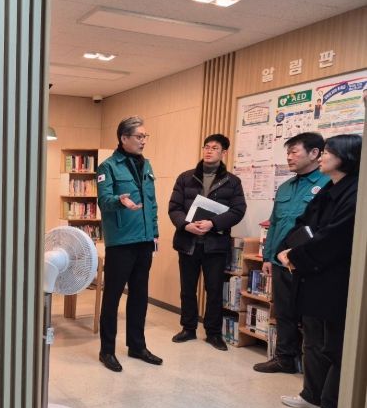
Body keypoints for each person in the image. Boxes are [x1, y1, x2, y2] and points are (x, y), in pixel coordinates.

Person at [278, 134, 361, 408]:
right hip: (311, 275)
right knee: (312, 339)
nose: (322, 156)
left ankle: (332, 404)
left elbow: (334, 237)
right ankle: (311, 393)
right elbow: (304, 222)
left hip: (334, 278)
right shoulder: (328, 188)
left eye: (328, 152)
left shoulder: (356, 192)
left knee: (335, 345)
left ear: (345, 157)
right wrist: (286, 250)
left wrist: (295, 256)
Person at [253, 133, 329, 373]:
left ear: (314, 153)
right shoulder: (286, 186)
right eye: (288, 152)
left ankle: (313, 369)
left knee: (310, 317)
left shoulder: (328, 184)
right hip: (280, 262)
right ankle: (285, 359)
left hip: (309, 264)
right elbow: (275, 223)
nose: (289, 157)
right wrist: (268, 257)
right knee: (284, 312)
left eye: (294, 152)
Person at [168, 134, 246, 350]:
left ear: (224, 153)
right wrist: (185, 225)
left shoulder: (233, 181)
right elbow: (174, 208)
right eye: (206, 147)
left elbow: (238, 210)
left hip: (215, 244)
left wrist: (213, 223)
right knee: (187, 289)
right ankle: (188, 328)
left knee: (214, 290)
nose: (209, 151)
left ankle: (213, 333)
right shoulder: (186, 178)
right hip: (188, 242)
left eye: (214, 148)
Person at [96, 116, 161, 372]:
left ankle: (137, 346)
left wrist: (154, 233)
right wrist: (119, 201)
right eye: (139, 136)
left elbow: (152, 203)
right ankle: (107, 351)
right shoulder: (108, 167)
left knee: (139, 296)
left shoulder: (147, 165)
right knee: (112, 297)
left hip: (144, 241)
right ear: (124, 138)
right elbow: (104, 201)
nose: (143, 141)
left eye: (145, 136)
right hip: (121, 241)